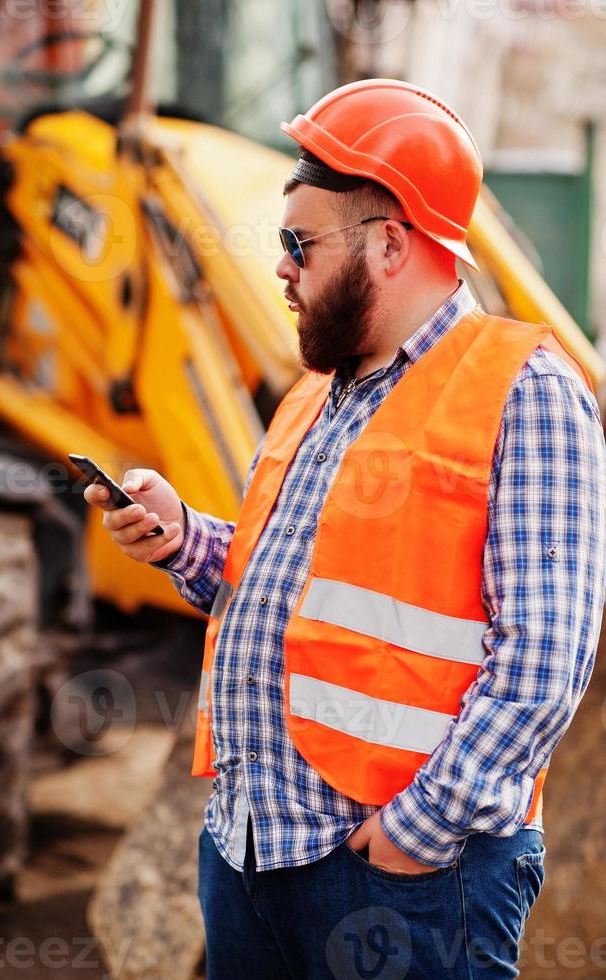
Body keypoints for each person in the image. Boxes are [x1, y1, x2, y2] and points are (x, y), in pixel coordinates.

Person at [84, 79, 606, 979]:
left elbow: (544, 661)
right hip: (249, 853)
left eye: (300, 244)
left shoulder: (526, 392)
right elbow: (287, 588)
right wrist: (184, 541)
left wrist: (415, 834)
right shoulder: (315, 397)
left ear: (392, 244)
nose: (280, 267)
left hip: (398, 879)